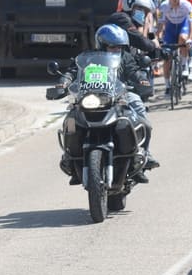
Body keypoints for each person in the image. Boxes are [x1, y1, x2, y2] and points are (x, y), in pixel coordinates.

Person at [51, 24, 157, 184]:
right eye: (112, 47)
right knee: (71, 120)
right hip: (90, 96)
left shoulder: (125, 57)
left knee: (140, 111)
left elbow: (134, 71)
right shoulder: (86, 57)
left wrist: (142, 80)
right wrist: (63, 83)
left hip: (119, 95)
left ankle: (144, 154)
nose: (117, 50)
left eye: (119, 47)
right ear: (102, 44)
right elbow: (72, 72)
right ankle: (70, 158)